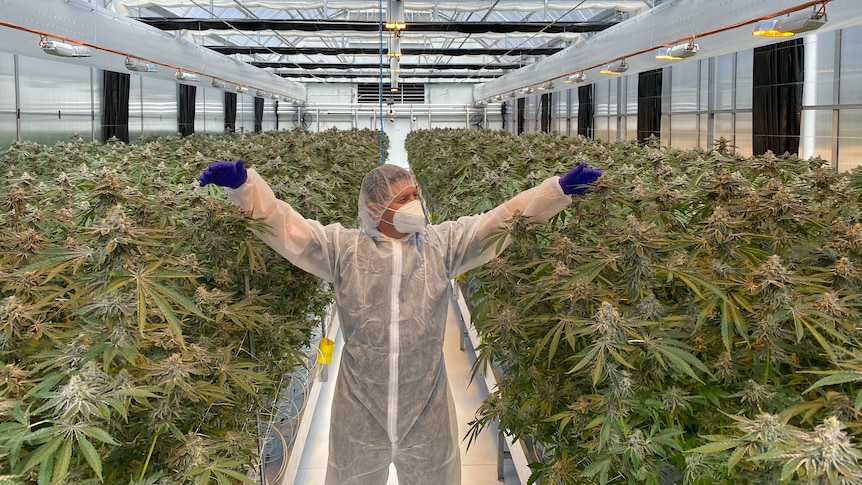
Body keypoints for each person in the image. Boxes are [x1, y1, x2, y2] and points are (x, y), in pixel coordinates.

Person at [199, 159, 602, 485]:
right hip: (360, 405)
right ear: (376, 207)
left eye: (416, 194)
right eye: (406, 196)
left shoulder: (443, 245)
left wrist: (556, 192)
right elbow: (286, 228)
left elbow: (500, 221)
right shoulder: (342, 249)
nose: (417, 203)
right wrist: (245, 186)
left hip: (425, 403)